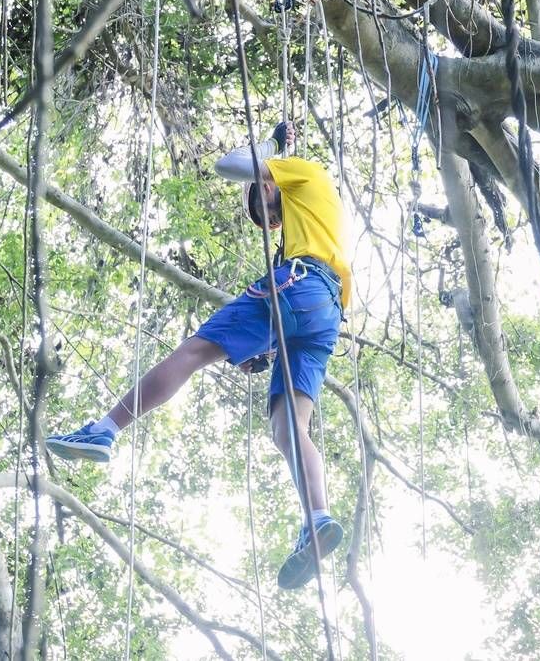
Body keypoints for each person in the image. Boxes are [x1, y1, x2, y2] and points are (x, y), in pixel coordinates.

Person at [47, 121, 352, 590]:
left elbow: (228, 163)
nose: (269, 221)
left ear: (271, 183)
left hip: (302, 283)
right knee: (288, 427)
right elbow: (297, 318)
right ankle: (317, 517)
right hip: (327, 314)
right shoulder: (319, 222)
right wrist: (267, 347)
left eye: (266, 207)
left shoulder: (303, 172)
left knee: (193, 352)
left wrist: (270, 146)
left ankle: (104, 431)